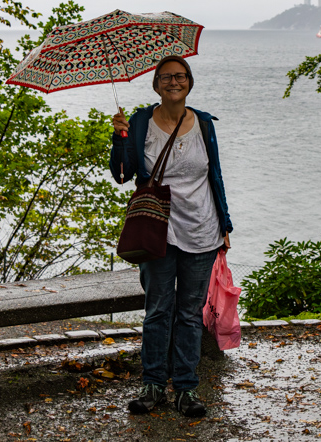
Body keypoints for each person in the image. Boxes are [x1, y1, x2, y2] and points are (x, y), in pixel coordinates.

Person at [109, 55, 233, 418]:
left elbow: (216, 177)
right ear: (156, 84)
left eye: (180, 76)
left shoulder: (204, 124)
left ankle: (186, 388)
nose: (173, 82)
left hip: (202, 228)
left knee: (190, 313)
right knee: (158, 310)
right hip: (156, 230)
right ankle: (152, 386)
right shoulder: (141, 122)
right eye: (166, 77)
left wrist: (225, 225)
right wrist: (120, 140)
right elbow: (122, 174)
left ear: (189, 82)